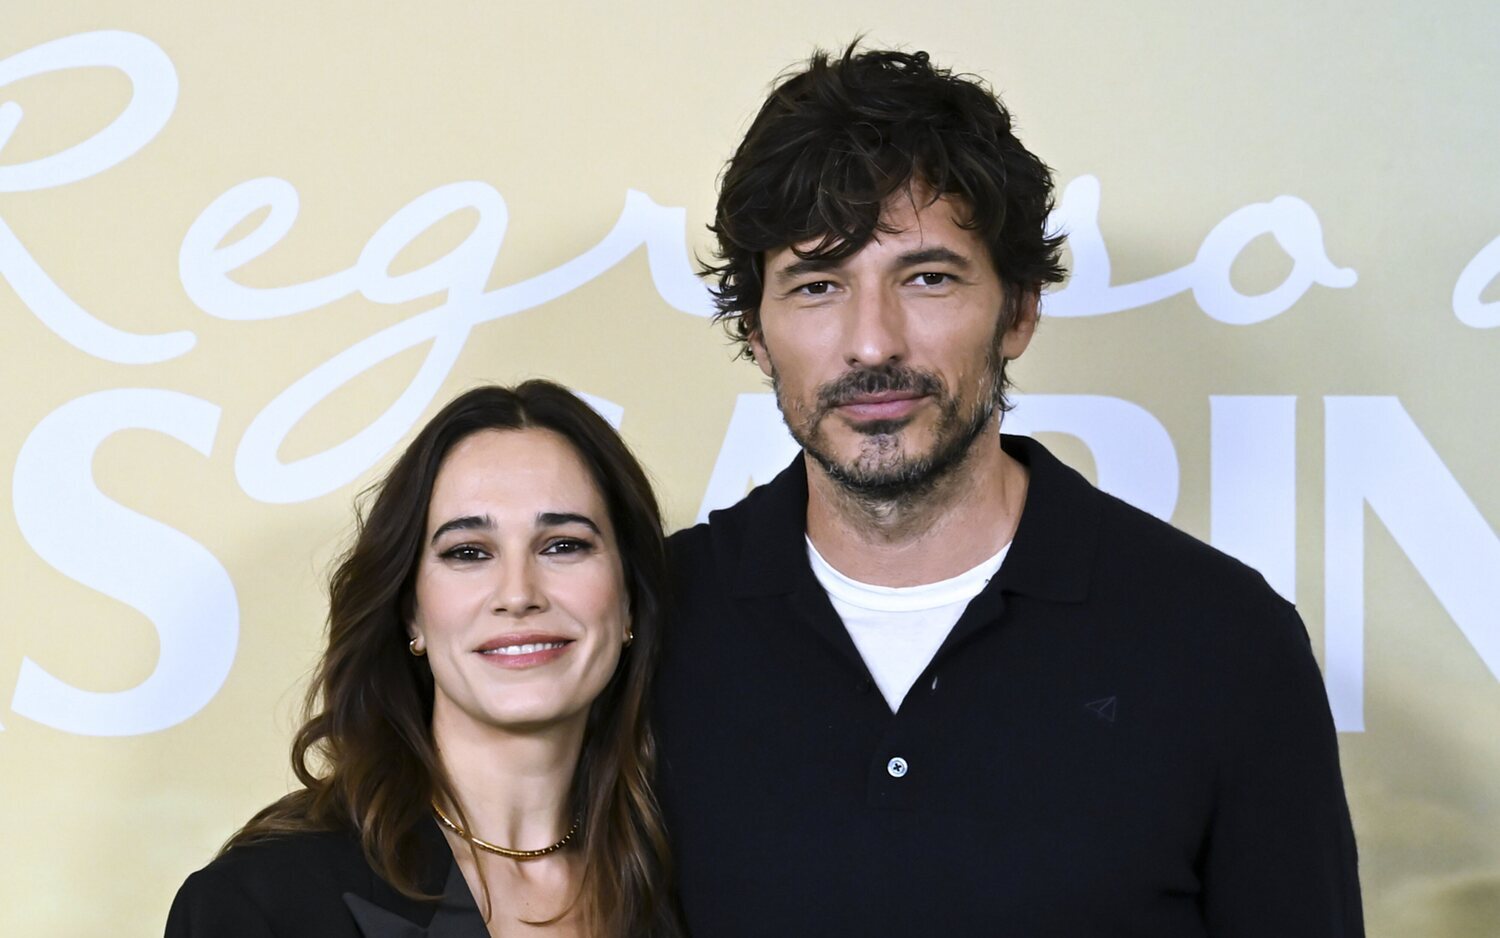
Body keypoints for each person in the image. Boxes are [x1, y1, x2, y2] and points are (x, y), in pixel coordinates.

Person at [654, 44, 1365, 935]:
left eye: (927, 277)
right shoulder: (652, 625)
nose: (872, 343)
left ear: (1020, 309)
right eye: (817, 285)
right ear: (757, 333)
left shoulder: (1223, 640)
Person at [167, 382, 681, 937]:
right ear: (411, 613)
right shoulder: (267, 901)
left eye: (563, 545)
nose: (518, 592)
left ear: (629, 599)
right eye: (468, 553)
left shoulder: (697, 885)